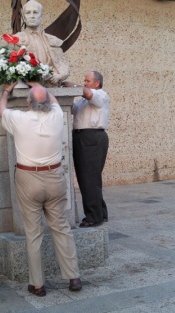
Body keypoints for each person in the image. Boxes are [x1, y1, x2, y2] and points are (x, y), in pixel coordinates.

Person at [0, 81, 82, 296]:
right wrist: (38, 84)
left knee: (33, 233)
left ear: (28, 103)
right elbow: (52, 100)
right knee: (61, 228)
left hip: (28, 177)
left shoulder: (19, 118)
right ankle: (73, 277)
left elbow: (1, 111)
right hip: (54, 176)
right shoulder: (56, 116)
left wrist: (7, 90)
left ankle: (38, 284)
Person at [62, 71, 110, 228]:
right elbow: (72, 107)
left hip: (92, 137)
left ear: (97, 83)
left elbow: (88, 94)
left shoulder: (100, 95)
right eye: (84, 80)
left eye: (88, 80)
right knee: (89, 178)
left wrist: (72, 85)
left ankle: (94, 217)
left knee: (89, 178)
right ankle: (100, 212)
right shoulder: (82, 101)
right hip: (81, 137)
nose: (85, 83)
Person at [14, 0, 70, 86]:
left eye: (35, 12)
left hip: (50, 85)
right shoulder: (17, 39)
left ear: (41, 16)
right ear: (24, 17)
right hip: (27, 86)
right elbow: (12, 65)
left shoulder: (52, 40)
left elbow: (62, 64)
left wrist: (59, 75)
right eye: (28, 13)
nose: (32, 16)